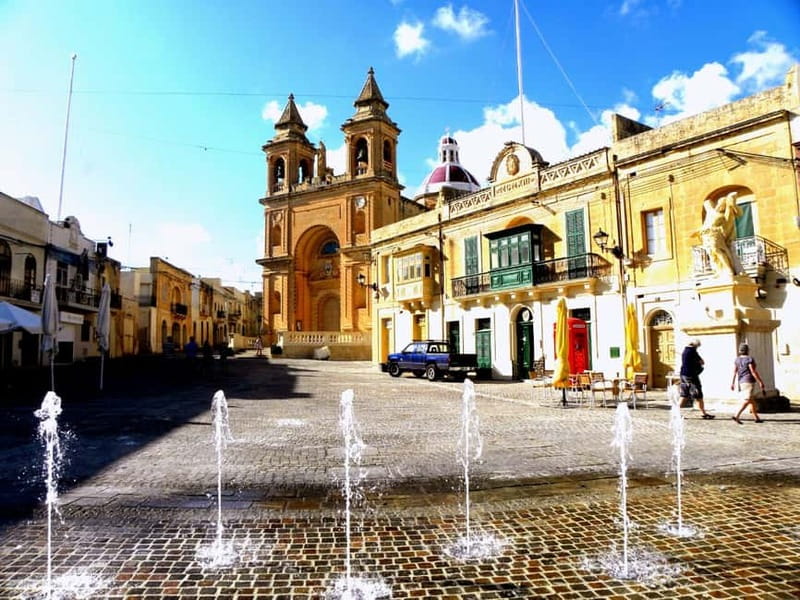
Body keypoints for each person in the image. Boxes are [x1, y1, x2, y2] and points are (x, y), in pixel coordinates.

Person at [698, 192, 741, 279]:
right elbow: (707, 203)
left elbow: (736, 213)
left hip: (715, 235)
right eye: (720, 203)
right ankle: (718, 270)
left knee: (716, 250)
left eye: (722, 204)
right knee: (712, 254)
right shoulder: (711, 213)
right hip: (706, 236)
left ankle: (728, 269)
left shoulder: (723, 216)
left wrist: (731, 201)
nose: (720, 205)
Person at [679, 338, 715, 419]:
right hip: (692, 375)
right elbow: (702, 362)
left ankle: (676, 413)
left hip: (683, 375)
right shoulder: (692, 351)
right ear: (695, 345)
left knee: (684, 394)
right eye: (697, 346)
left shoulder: (685, 350)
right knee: (698, 394)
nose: (697, 347)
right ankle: (704, 413)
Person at [731, 343, 766, 424]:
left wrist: (733, 383)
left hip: (741, 382)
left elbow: (735, 372)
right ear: (747, 350)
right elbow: (753, 371)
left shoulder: (737, 359)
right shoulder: (749, 359)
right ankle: (736, 415)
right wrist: (760, 381)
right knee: (747, 399)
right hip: (749, 381)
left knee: (751, 400)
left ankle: (756, 418)